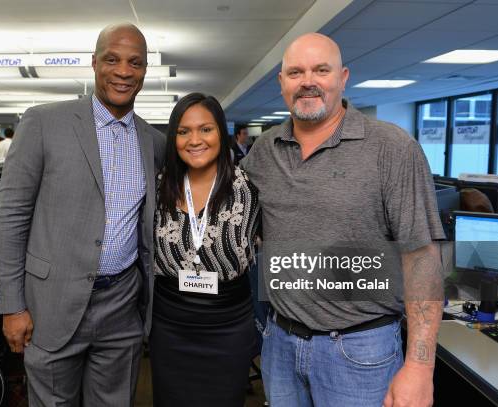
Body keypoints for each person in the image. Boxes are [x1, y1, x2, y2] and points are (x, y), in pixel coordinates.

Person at [241, 33, 444, 407]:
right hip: (281, 345)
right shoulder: (263, 152)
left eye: (321, 70)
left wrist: (420, 366)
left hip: (361, 351)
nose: (308, 81)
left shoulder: (393, 148)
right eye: (296, 71)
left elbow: (422, 259)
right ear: (282, 82)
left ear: (343, 76)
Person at [0, 23, 165, 406]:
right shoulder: (43, 123)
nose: (123, 71)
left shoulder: (153, 142)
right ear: (93, 63)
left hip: (122, 306)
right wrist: (12, 306)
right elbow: (11, 220)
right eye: (112, 59)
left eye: (134, 63)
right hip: (50, 305)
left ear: (144, 70)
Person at [150, 93, 259, 407]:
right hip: (169, 325)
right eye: (184, 132)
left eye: (205, 129)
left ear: (220, 132)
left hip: (228, 327)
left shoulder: (249, 190)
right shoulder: (159, 188)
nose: (194, 140)